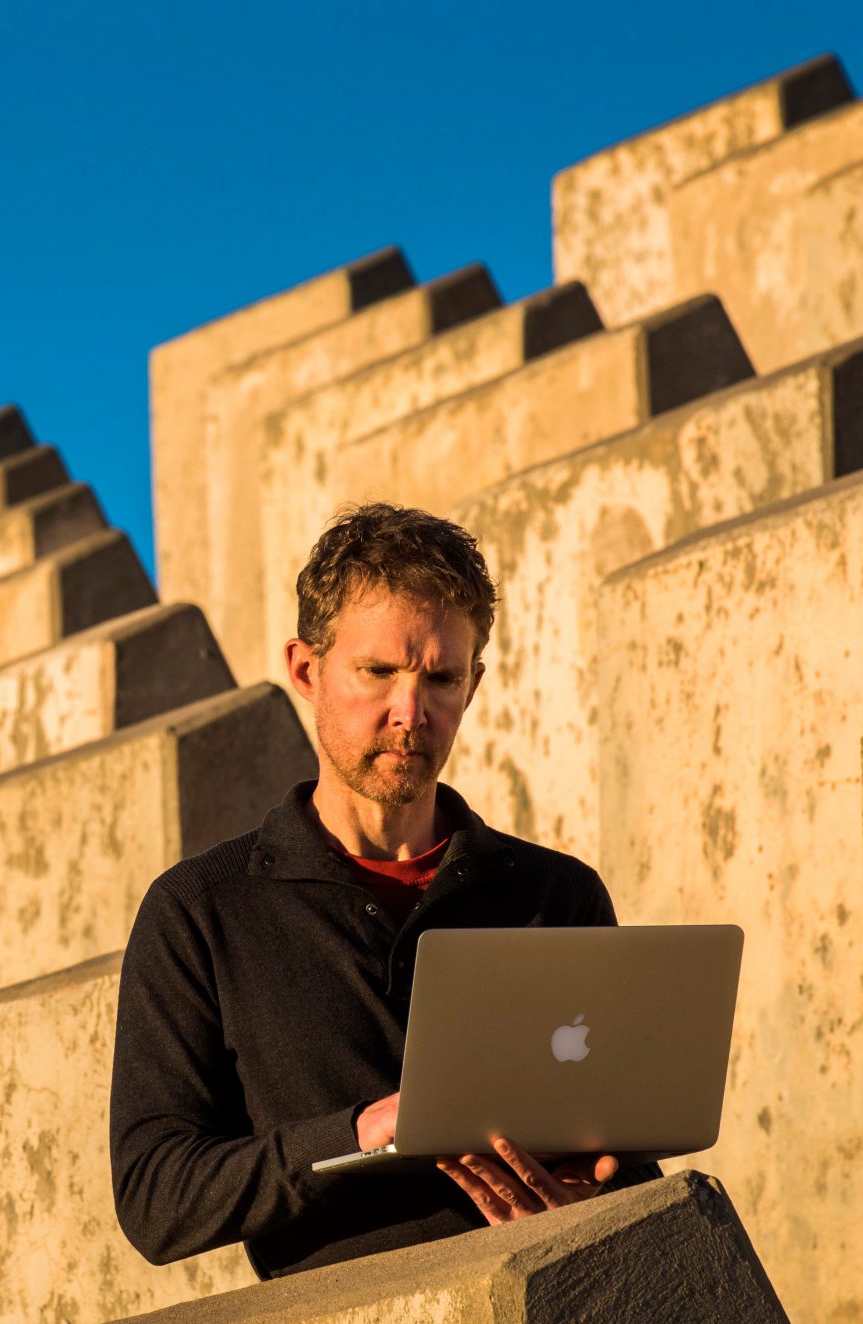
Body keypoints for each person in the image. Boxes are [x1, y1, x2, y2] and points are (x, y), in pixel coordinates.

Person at [110, 501, 657, 1279]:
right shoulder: (199, 912)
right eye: (378, 672)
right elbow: (156, 1196)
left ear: (473, 685)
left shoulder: (558, 897)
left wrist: (588, 1205)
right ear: (305, 669)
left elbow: (629, 1158)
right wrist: (362, 1133)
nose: (412, 711)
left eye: (441, 677)